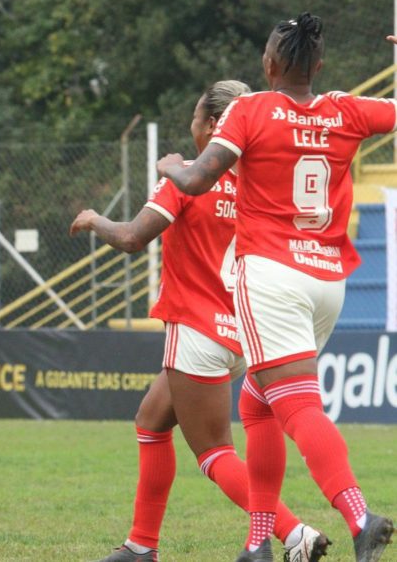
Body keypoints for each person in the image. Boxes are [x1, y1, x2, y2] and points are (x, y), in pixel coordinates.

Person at [157, 13, 395, 562]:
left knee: (296, 407)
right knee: (258, 402)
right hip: (327, 280)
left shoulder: (250, 109)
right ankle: (258, 542)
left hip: (270, 276)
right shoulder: (346, 107)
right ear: (320, 65)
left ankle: (360, 517)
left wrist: (173, 165)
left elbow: (197, 179)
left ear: (268, 65)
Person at [71, 80, 327, 562]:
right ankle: (141, 546)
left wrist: (93, 220)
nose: (190, 125)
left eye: (194, 116)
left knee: (214, 454)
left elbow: (130, 238)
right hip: (242, 331)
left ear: (212, 126)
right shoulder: (262, 187)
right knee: (151, 419)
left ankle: (296, 535)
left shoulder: (187, 177)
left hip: (195, 329)